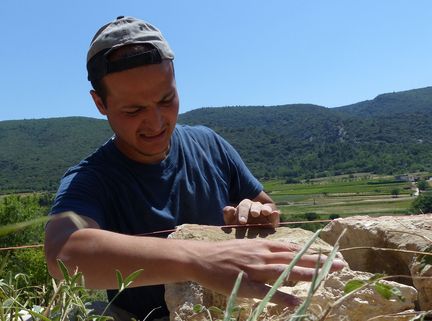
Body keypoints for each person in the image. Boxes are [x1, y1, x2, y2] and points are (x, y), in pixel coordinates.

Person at [44, 16, 345, 321]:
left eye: (167, 99)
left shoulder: (209, 143)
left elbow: (268, 207)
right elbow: (62, 254)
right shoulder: (91, 178)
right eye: (134, 110)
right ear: (100, 104)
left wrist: (254, 212)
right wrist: (198, 259)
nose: (157, 122)